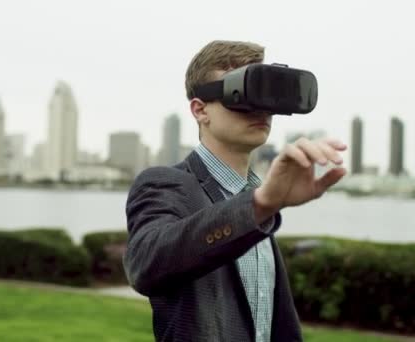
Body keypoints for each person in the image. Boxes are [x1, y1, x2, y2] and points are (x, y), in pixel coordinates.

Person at [123, 40, 347, 342]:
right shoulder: (166, 183)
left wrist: (261, 202)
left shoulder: (257, 195)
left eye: (264, 95)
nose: (260, 109)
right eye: (241, 94)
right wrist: (259, 205)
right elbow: (148, 264)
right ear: (201, 110)